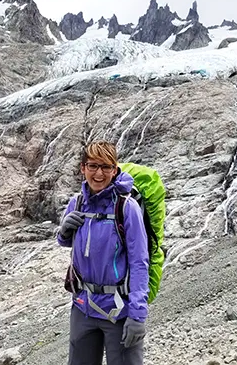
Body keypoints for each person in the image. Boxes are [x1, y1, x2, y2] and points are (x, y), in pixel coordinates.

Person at [57, 141, 149, 365]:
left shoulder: (127, 208)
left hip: (119, 310)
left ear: (115, 170)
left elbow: (139, 262)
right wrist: (63, 232)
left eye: (106, 167)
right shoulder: (76, 203)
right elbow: (70, 243)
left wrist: (137, 315)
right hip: (83, 307)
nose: (99, 173)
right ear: (83, 168)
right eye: (93, 166)